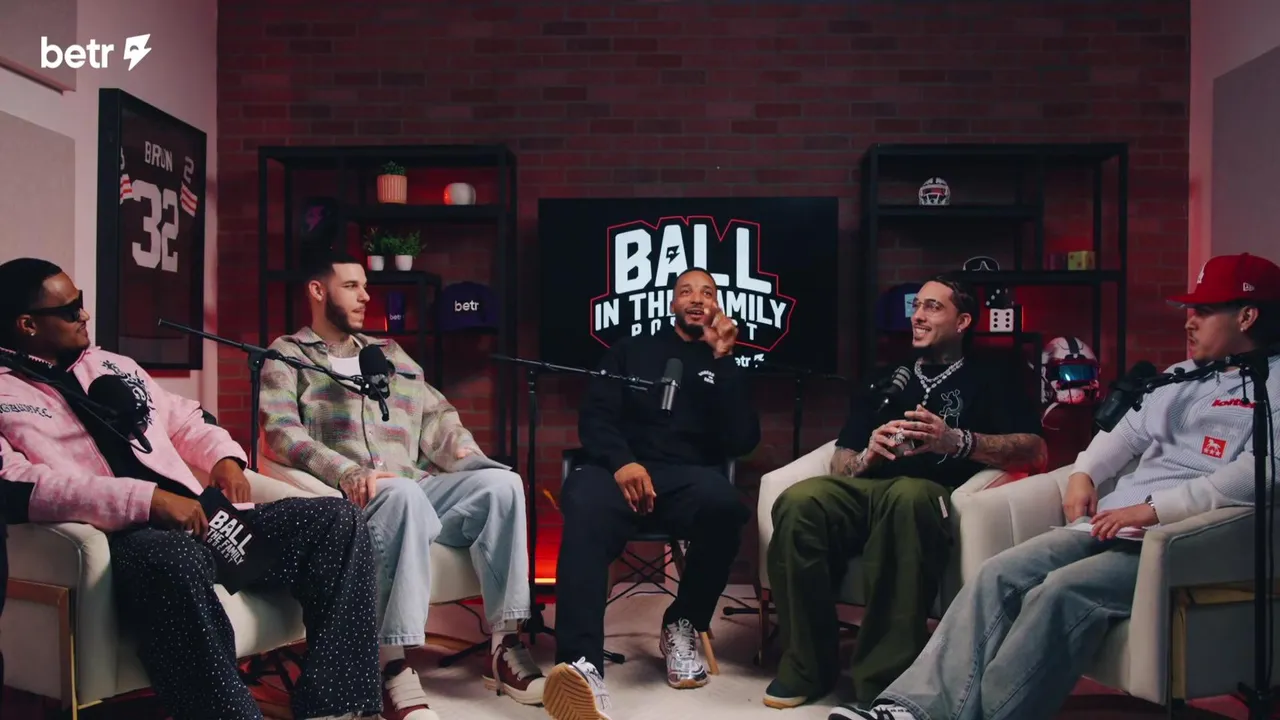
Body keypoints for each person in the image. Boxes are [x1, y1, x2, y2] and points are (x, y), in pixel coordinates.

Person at [841, 252, 1280, 720]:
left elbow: (1262, 473)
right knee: (997, 573)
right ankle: (912, 709)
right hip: (1112, 526)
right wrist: (1082, 475)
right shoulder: (1180, 377)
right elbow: (1121, 436)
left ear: (1247, 316)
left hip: (1178, 540)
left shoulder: (1272, 386)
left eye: (1204, 311)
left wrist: (1154, 510)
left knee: (1060, 591)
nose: (1189, 321)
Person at [0, 258, 381, 720]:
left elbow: (185, 419)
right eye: (69, 309)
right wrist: (146, 501)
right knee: (174, 558)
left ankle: (338, 707)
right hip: (130, 539)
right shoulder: (5, 394)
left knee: (338, 519)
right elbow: (17, 484)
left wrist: (225, 459)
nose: (84, 314)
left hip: (205, 520)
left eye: (80, 302)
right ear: (27, 324)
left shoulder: (112, 365)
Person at [259, 250, 545, 719]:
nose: (364, 296)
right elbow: (281, 432)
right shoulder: (288, 355)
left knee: (503, 484)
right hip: (351, 496)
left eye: (365, 287)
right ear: (317, 291)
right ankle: (390, 664)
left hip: (413, 484)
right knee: (404, 493)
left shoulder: (388, 354)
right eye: (351, 286)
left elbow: (437, 415)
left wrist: (466, 454)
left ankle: (504, 646)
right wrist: (346, 472)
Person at [764, 275, 1048, 712]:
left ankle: (883, 680)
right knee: (800, 501)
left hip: (935, 494)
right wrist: (867, 456)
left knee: (908, 498)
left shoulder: (992, 375)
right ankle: (807, 667)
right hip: (869, 491)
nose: (918, 316)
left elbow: (1036, 449)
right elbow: (842, 457)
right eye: (916, 307)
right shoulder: (886, 379)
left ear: (963, 321)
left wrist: (955, 441)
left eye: (933, 307)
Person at [543, 267, 761, 720]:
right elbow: (595, 418)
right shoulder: (630, 350)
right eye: (687, 291)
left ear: (717, 305)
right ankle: (581, 665)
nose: (697, 299)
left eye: (707, 293)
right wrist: (623, 462)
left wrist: (725, 359)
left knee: (726, 507)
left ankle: (684, 620)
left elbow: (742, 439)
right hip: (618, 472)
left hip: (684, 479)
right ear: (672, 303)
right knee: (582, 498)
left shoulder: (722, 362)